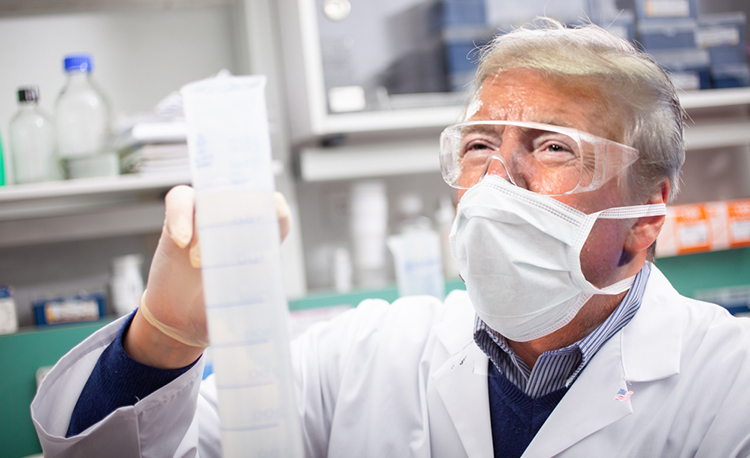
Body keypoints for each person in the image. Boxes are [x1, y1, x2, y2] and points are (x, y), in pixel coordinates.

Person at [32, 18, 750, 458]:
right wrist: (161, 338)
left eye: (554, 147)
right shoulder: (358, 360)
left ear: (646, 217)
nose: (496, 181)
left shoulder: (729, 388)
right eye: (478, 146)